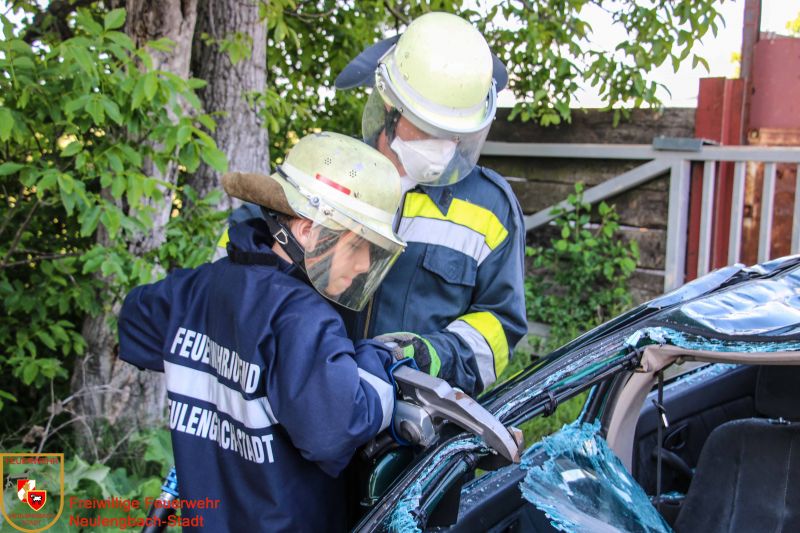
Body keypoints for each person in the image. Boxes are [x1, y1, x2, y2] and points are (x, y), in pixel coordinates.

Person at [117, 132, 406, 531]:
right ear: (307, 230)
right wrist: (378, 363)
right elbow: (335, 431)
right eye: (357, 246)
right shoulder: (304, 319)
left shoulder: (199, 289)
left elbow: (133, 321)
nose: (363, 265)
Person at [333, 12, 528, 396]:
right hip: (317, 402)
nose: (447, 145)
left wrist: (432, 357)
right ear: (390, 108)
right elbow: (255, 260)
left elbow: (499, 327)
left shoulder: (490, 208)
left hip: (420, 418)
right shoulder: (332, 173)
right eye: (432, 128)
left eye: (458, 133)